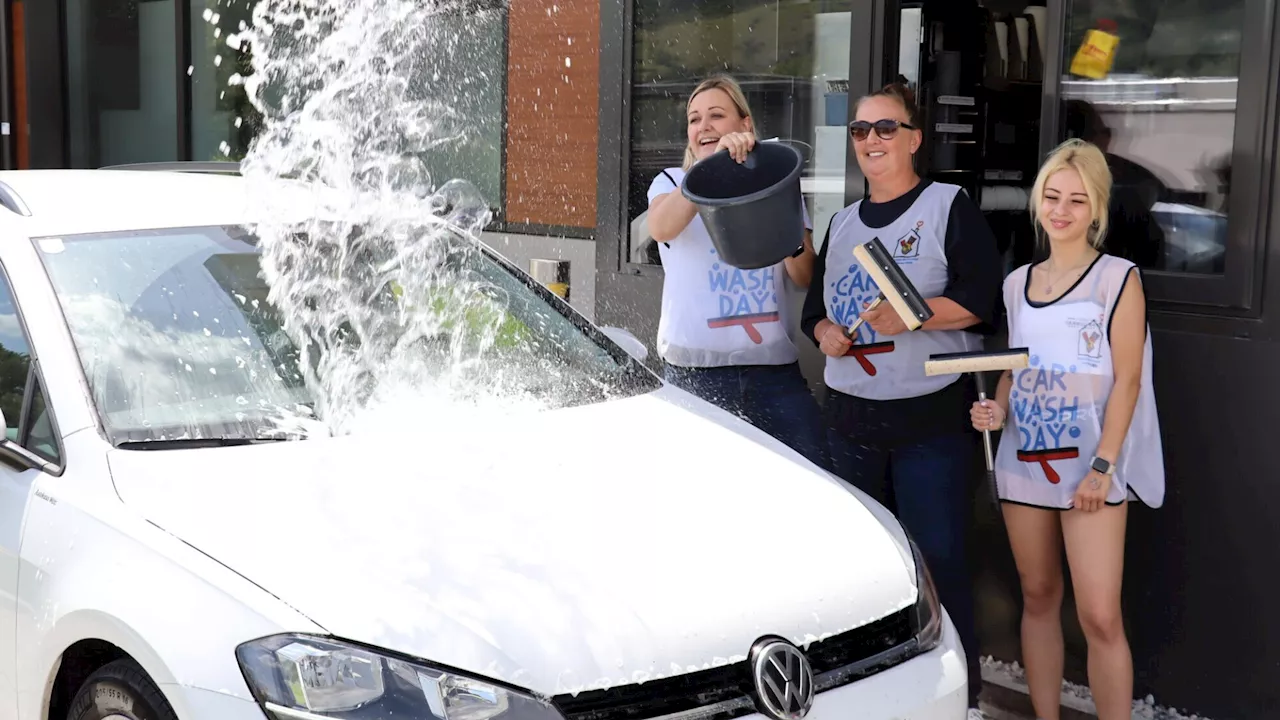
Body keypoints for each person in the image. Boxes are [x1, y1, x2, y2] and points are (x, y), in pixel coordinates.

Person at [800, 82, 1002, 717]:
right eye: (860, 131)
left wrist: (912, 315)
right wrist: (826, 332)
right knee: (865, 571)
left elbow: (983, 302)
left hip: (931, 422)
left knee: (937, 560)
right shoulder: (841, 223)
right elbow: (815, 311)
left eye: (885, 128)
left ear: (914, 139)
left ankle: (961, 700)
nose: (871, 142)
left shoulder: (948, 206)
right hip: (850, 419)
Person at [970, 138, 1165, 720]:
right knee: (1037, 596)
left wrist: (1103, 466)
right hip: (1024, 461)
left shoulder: (1117, 278)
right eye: (1052, 196)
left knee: (1100, 616)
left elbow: (1127, 380)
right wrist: (998, 411)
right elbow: (1016, 366)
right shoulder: (1017, 284)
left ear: (1097, 210)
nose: (1061, 210)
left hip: (1090, 469)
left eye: (1076, 201)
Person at [646, 74, 829, 469]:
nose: (703, 126)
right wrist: (711, 171)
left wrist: (781, 213)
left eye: (716, 115)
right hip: (696, 378)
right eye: (694, 120)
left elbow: (804, 275)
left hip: (773, 377)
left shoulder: (775, 180)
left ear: (744, 125)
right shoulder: (672, 182)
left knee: (816, 481)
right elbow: (661, 227)